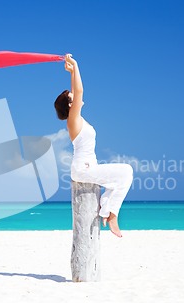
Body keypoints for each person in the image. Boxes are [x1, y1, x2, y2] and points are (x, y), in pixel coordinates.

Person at [54, 54, 133, 238]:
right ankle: (112, 214)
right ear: (71, 105)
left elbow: (75, 91)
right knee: (126, 171)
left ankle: (107, 210)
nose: (77, 96)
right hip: (83, 169)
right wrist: (76, 64)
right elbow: (79, 91)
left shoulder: (79, 119)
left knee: (120, 179)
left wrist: (72, 72)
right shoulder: (73, 121)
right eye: (73, 98)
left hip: (88, 167)